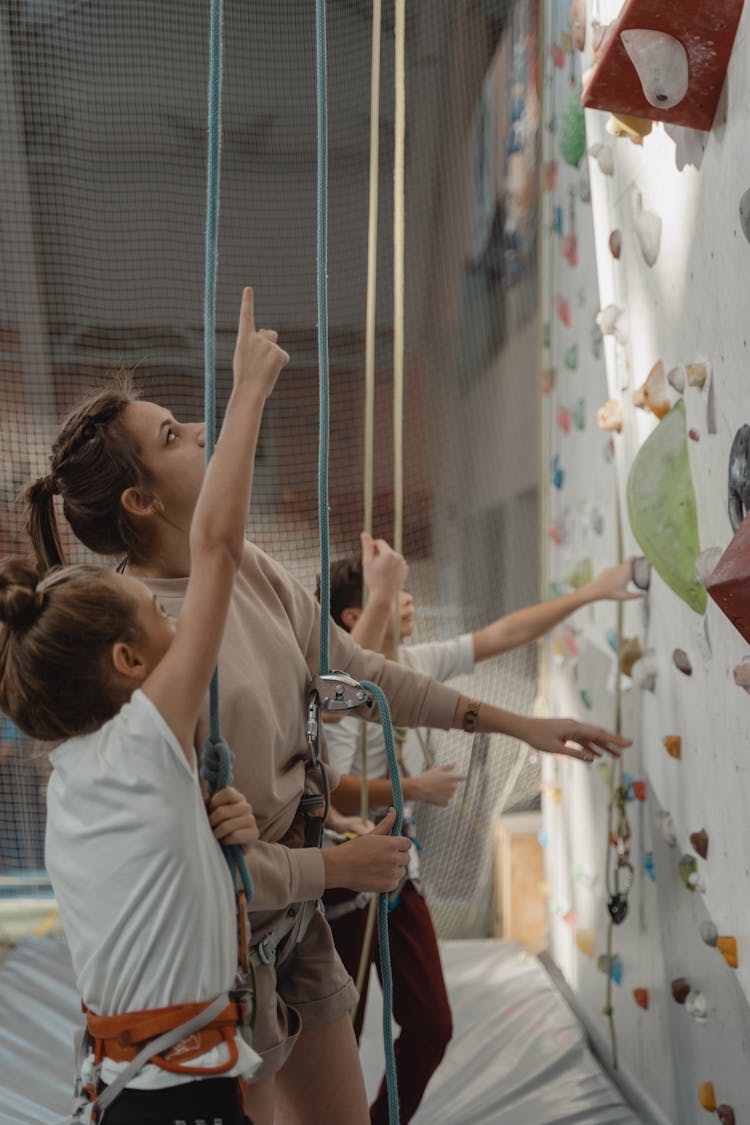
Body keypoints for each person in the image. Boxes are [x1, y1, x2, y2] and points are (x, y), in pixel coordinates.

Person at [24, 314, 629, 1125]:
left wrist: (520, 726)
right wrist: (248, 393)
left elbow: (361, 669)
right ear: (139, 499)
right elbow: (217, 871)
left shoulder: (251, 578)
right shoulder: (151, 658)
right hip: (229, 959)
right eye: (172, 434)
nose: (196, 430)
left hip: (296, 917)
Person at [0, 287, 298, 1124]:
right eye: (155, 618)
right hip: (177, 1098)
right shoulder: (141, 739)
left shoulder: (78, 776)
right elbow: (215, 546)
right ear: (128, 663)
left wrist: (208, 836)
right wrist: (246, 392)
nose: (172, 616)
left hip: (128, 1089)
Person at [320, 532, 641, 1125]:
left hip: (393, 873)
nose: (411, 600)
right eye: (396, 595)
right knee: (338, 1040)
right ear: (354, 617)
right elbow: (331, 782)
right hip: (338, 884)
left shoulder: (415, 664)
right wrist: (412, 790)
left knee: (432, 1025)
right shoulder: (330, 690)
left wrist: (592, 592)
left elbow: (504, 633)